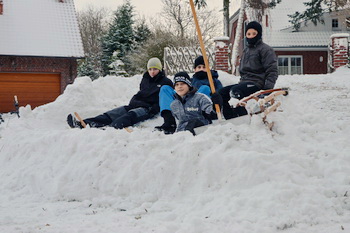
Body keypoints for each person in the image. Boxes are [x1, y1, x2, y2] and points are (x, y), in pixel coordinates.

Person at [67, 57, 173, 129]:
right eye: (150, 69)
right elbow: (140, 94)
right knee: (112, 113)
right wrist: (134, 101)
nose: (152, 71)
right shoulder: (145, 79)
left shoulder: (165, 82)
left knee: (127, 116)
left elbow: (164, 101)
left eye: (155, 69)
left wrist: (151, 108)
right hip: (135, 105)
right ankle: (83, 124)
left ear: (159, 69)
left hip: (147, 109)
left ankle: (109, 130)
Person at [218, 21, 278, 120]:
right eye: (248, 34)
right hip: (244, 83)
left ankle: (242, 118)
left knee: (235, 91)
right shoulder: (246, 51)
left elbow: (272, 71)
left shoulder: (266, 50)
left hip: (257, 83)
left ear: (259, 34)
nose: (251, 36)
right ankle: (230, 119)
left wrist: (267, 90)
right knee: (222, 92)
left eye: (254, 34)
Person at [155, 55, 223, 134]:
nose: (201, 69)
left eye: (204, 67)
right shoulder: (190, 80)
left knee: (205, 88)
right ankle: (169, 122)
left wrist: (216, 100)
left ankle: (193, 121)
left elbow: (219, 94)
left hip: (198, 108)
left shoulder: (214, 81)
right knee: (165, 88)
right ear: (194, 69)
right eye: (199, 67)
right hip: (182, 100)